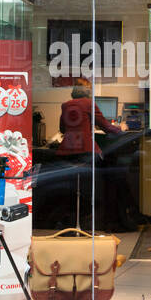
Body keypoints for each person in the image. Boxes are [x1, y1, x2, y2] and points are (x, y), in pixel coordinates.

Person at [55, 82, 126, 229]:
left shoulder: (65, 105)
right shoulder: (89, 104)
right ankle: (105, 216)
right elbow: (106, 126)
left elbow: (62, 128)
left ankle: (72, 218)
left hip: (66, 152)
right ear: (87, 93)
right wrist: (121, 129)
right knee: (110, 173)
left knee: (74, 186)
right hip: (86, 152)